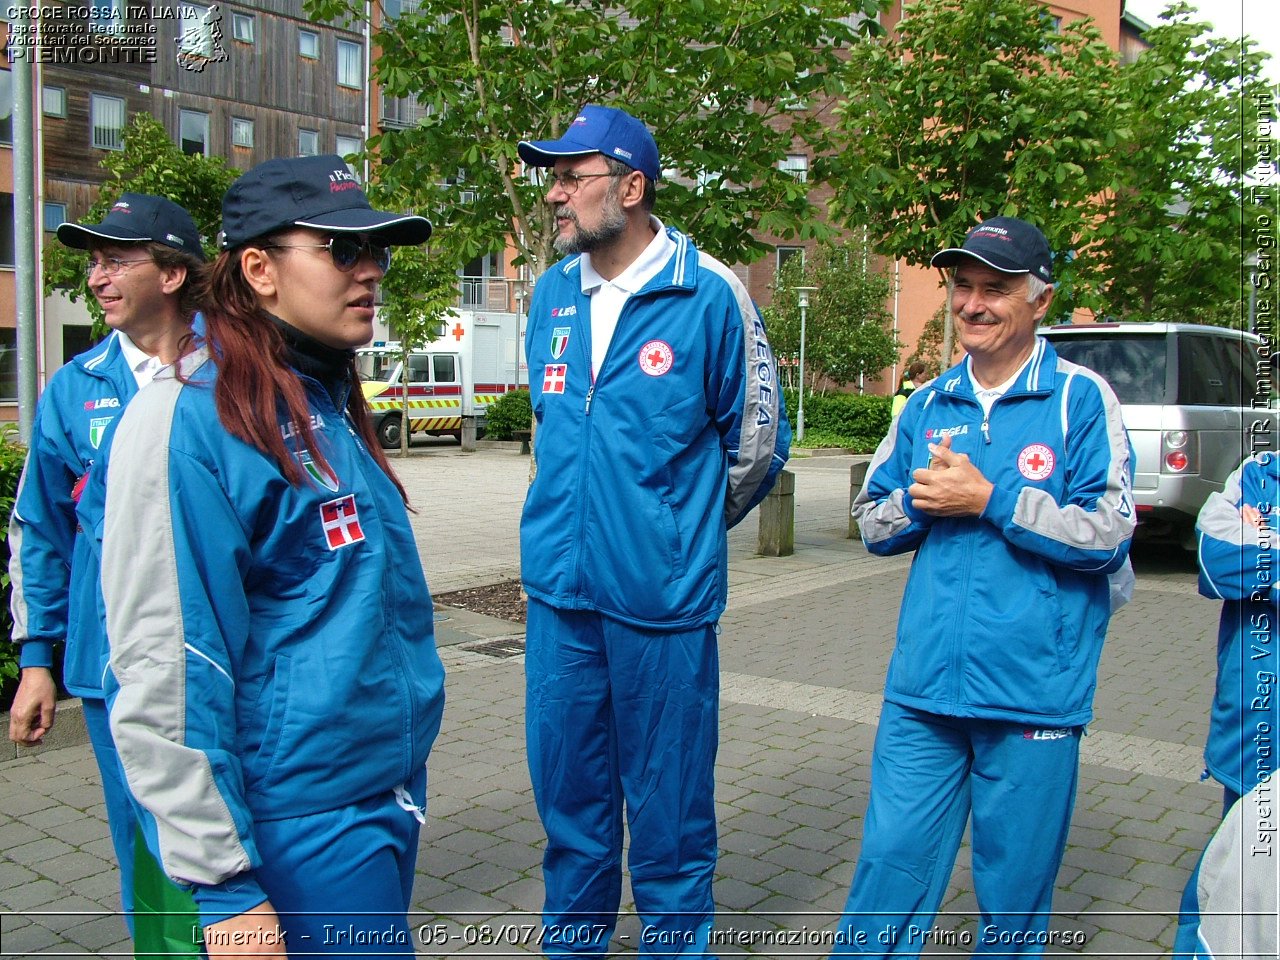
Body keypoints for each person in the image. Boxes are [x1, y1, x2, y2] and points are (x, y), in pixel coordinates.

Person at [97, 155, 446, 957]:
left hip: (380, 791)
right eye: (341, 249)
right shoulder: (189, 419)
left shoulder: (318, 391)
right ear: (257, 268)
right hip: (299, 823)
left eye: (379, 252)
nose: (370, 273)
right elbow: (168, 663)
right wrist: (226, 890)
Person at [516, 104, 790, 958]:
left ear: (631, 188)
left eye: (572, 176)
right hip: (560, 602)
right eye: (551, 177)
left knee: (669, 823)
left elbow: (756, 443)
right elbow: (550, 428)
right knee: (572, 815)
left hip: (661, 609)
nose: (554, 194)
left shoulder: (711, 293)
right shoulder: (553, 293)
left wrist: (676, 532)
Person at [841, 216, 1135, 956]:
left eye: (994, 290)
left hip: (1034, 692)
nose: (972, 305)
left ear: (1040, 301)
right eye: (962, 287)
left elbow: (1110, 532)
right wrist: (919, 503)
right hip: (924, 691)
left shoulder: (1079, 399)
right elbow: (872, 522)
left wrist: (992, 500)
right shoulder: (929, 402)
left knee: (1012, 905)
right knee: (886, 874)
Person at [7, 193, 207, 938]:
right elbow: (40, 530)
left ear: (174, 272)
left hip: (219, 663)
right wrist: (37, 661)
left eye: (117, 257)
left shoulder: (239, 369)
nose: (97, 276)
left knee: (227, 836)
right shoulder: (74, 387)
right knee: (143, 843)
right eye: (93, 261)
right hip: (110, 669)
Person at [1172, 451, 1279, 958]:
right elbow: (1217, 560)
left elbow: (1247, 560)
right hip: (1256, 733)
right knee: (1224, 886)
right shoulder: (1259, 474)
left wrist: (1264, 544)